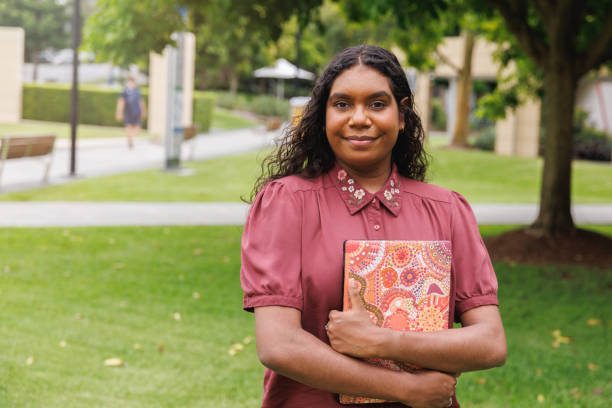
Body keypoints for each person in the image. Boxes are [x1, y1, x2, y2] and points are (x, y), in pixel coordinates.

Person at [240, 45, 506, 408]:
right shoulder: (286, 204)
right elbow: (278, 345)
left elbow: (490, 343)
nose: (359, 118)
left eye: (377, 104)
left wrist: (383, 341)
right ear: (322, 117)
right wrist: (406, 389)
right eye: (342, 104)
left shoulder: (447, 211)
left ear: (402, 115)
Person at [115, 76, 146, 149]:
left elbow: (141, 101)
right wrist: (119, 113)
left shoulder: (137, 91)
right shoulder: (125, 91)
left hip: (137, 112)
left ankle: (131, 137)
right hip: (128, 112)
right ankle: (130, 140)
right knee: (128, 126)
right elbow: (121, 102)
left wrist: (143, 111)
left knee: (137, 128)